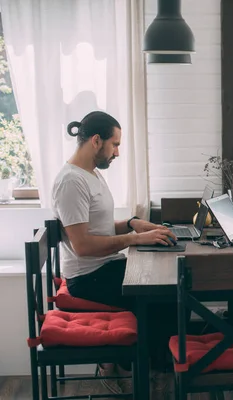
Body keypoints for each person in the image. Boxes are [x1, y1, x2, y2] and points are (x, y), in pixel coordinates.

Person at [51, 111, 178, 395]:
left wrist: (133, 223)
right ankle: (152, 376)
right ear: (96, 141)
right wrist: (134, 238)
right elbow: (83, 246)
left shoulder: (90, 174)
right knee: (164, 296)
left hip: (104, 266)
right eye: (115, 144)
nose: (117, 152)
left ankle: (142, 368)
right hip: (87, 277)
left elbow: (101, 227)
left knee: (166, 288)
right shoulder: (71, 182)